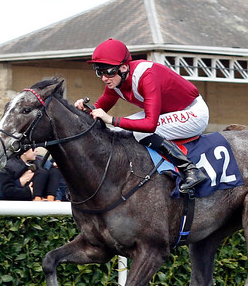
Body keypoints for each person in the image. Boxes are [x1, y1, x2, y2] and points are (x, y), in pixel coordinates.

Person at [74, 38, 207, 193]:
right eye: (100, 72)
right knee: (119, 131)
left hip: (192, 113)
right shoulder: (116, 81)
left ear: (124, 67)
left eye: (108, 72)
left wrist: (111, 119)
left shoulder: (147, 76)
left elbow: (150, 125)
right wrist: (85, 110)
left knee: (138, 131)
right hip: (169, 112)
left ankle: (190, 170)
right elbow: (98, 110)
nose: (104, 78)